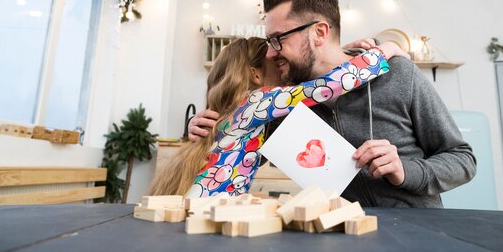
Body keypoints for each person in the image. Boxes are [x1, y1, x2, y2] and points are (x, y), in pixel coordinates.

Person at [189, 0, 476, 207]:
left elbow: (462, 159)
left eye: (278, 39)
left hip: (417, 238)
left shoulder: (400, 75)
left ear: (320, 32)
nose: (270, 52)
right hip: (343, 238)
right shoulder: (284, 103)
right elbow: (246, 153)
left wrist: (406, 170)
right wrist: (206, 130)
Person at [148, 36, 401, 197]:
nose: (284, 71)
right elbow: (330, 85)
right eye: (277, 66)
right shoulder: (256, 101)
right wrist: (386, 49)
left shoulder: (235, 111)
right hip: (207, 211)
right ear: (256, 75)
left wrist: (339, 53)